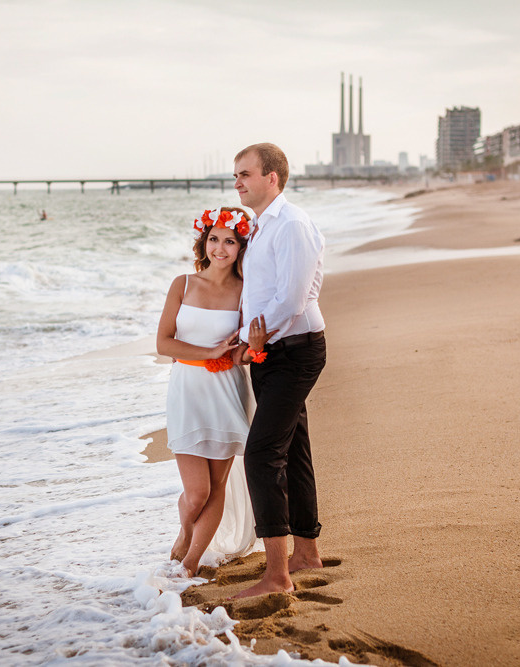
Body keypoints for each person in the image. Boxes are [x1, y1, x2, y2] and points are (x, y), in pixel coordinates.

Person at [230, 143, 327, 598]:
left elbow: (294, 297)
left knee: (262, 454)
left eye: (244, 174)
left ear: (272, 177)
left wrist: (256, 339)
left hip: (295, 349)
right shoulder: (262, 226)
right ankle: (306, 553)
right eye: (236, 176)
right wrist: (244, 332)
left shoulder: (292, 224)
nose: (237, 183)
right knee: (295, 450)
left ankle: (276, 576)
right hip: (275, 348)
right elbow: (264, 291)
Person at [156, 207, 271, 577]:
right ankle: (185, 531)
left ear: (241, 247)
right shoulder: (182, 284)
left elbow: (243, 353)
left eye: (230, 241)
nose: (220, 248)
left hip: (226, 392)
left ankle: (189, 565)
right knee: (196, 494)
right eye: (214, 239)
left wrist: (252, 349)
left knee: (216, 485)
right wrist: (208, 353)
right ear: (204, 242)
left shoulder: (244, 292)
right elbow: (164, 344)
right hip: (187, 392)